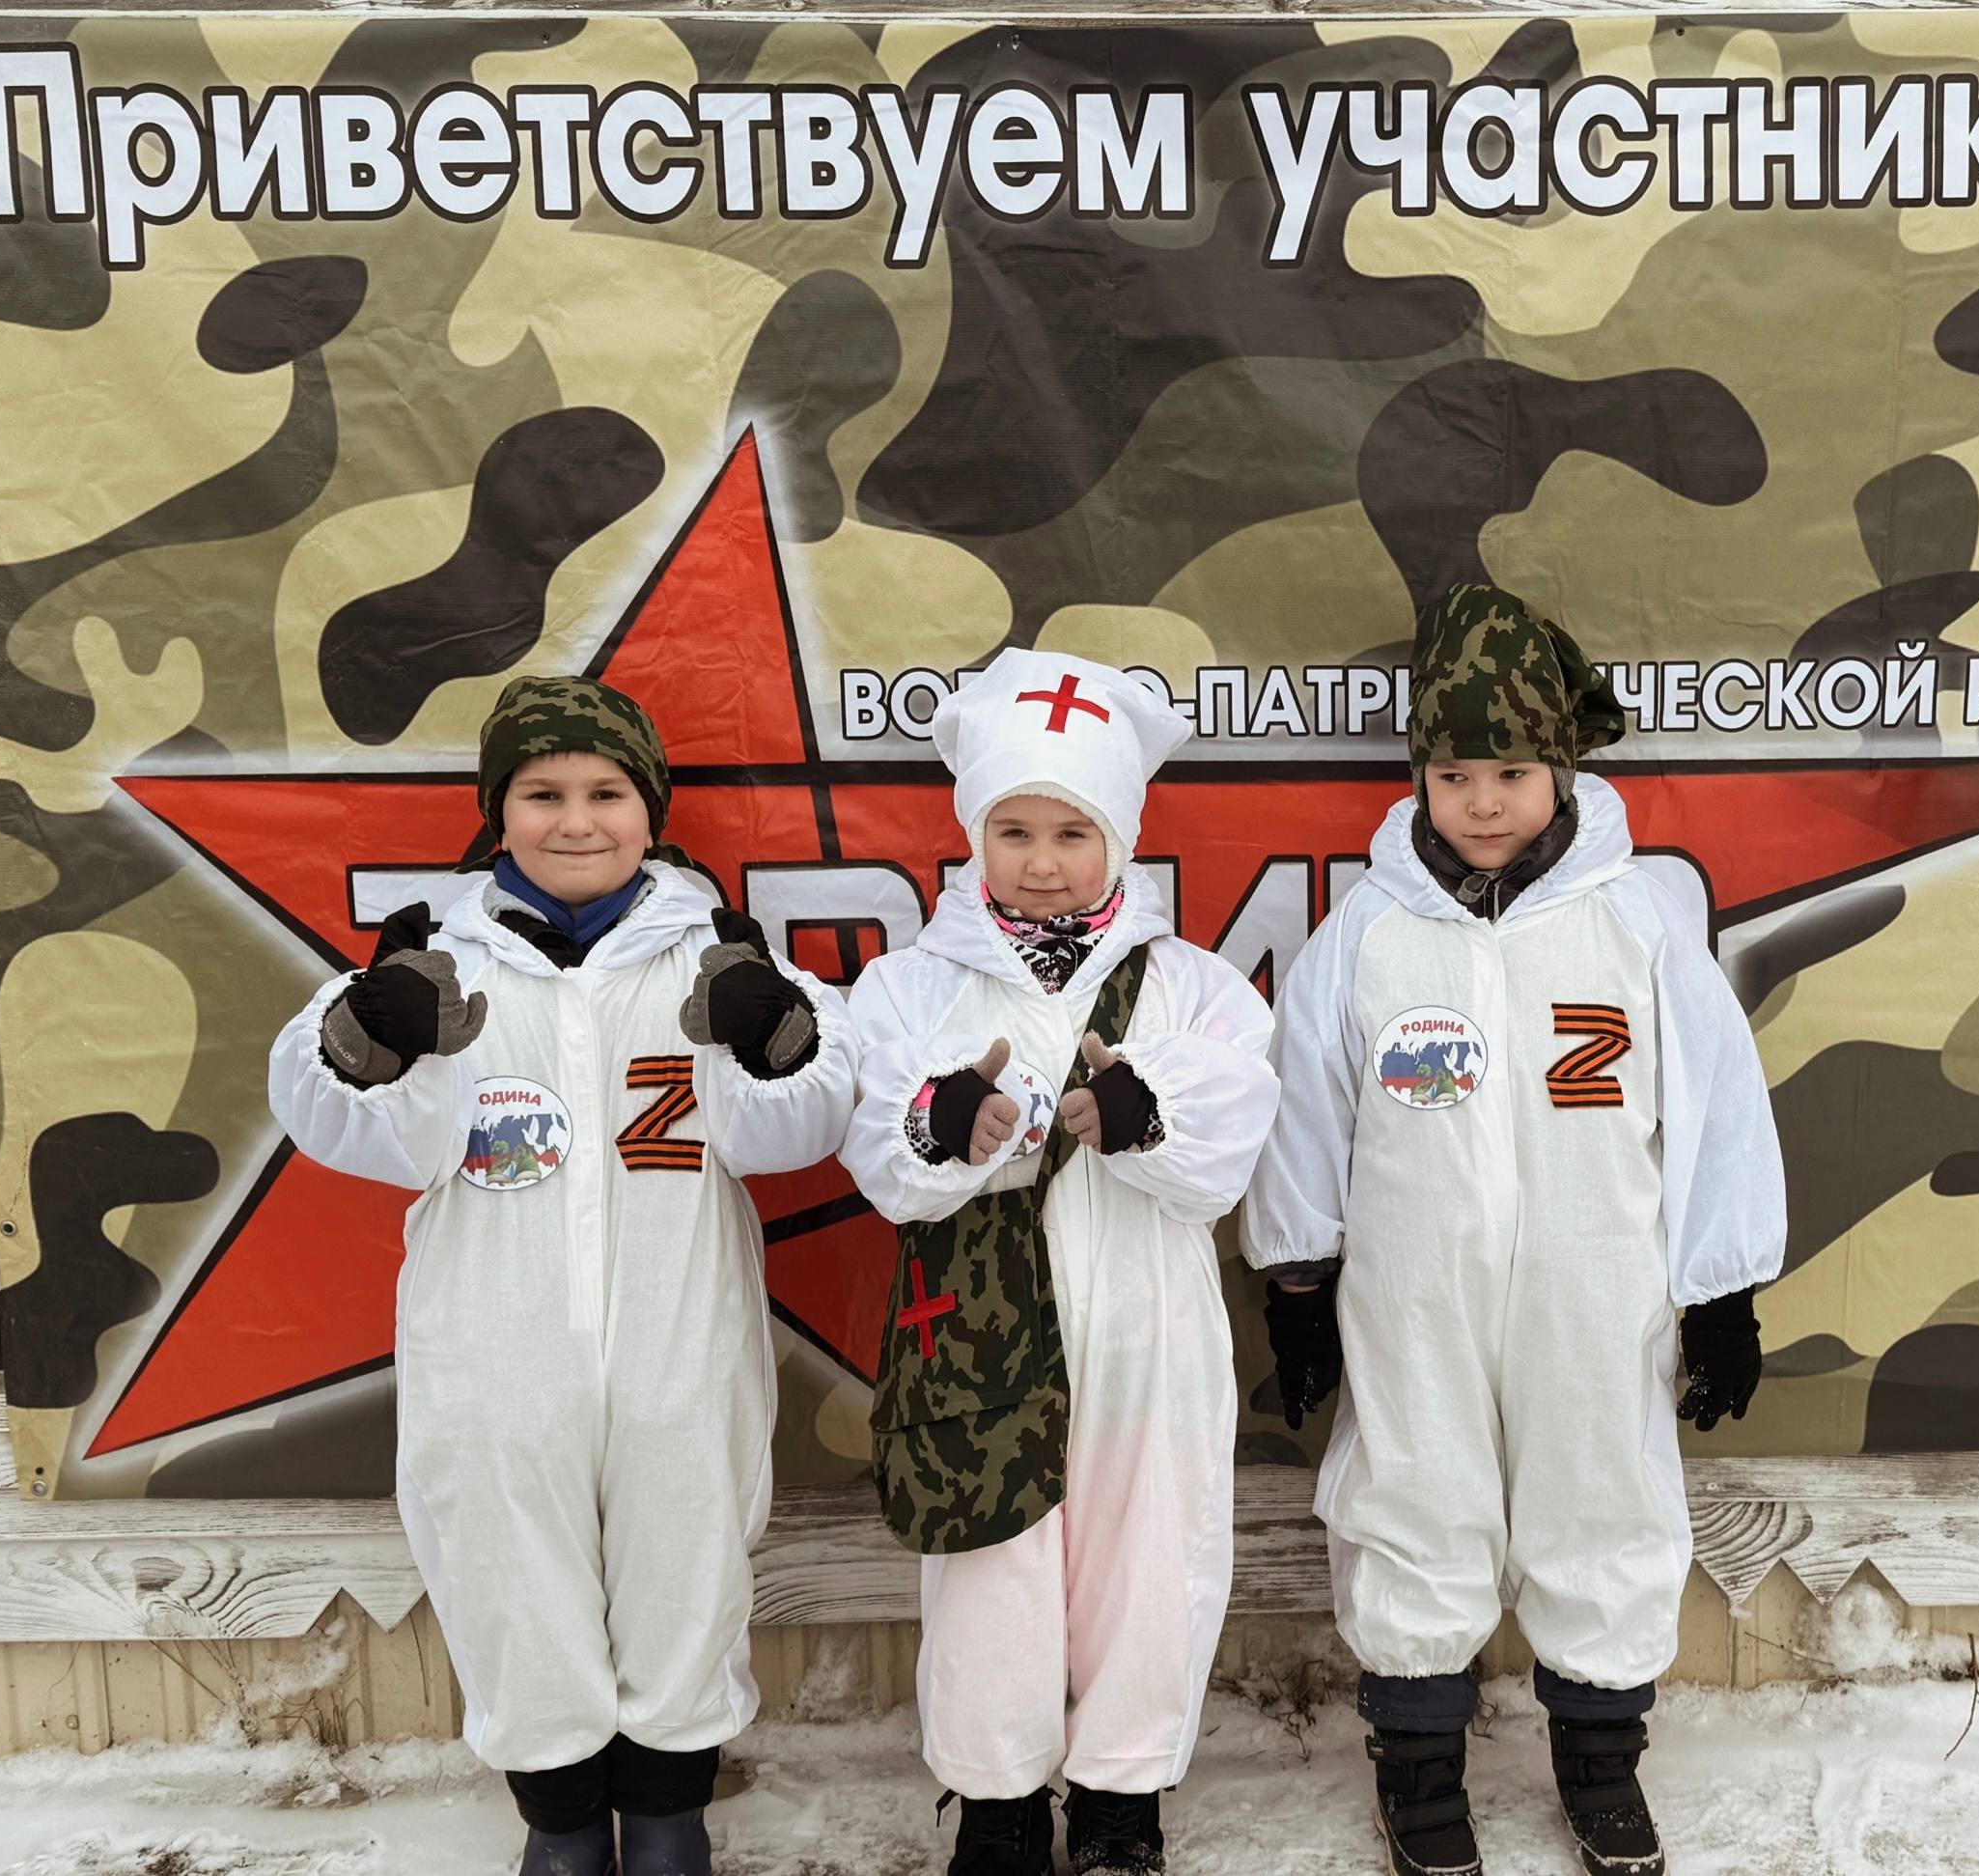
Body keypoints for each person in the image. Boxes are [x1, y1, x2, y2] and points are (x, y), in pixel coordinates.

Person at [268, 676, 857, 1876]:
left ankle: (670, 1817)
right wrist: (371, 1042)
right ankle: (563, 1823)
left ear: (650, 811)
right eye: (541, 793)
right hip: (495, 1344)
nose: (576, 820)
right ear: (499, 810)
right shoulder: (436, 958)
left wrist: (773, 1036)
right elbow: (348, 1124)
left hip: (678, 1336)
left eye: (606, 792)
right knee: (508, 1570)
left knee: (685, 1560)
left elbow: (797, 1124)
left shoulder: (715, 953)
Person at [1244, 583, 1785, 1876]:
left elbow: (1715, 1106)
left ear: (1561, 769)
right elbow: (1304, 1110)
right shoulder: (1367, 934)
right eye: (1452, 775)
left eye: (1510, 773)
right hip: (1412, 1291)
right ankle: (1418, 1763)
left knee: (1600, 1491)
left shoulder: (1635, 922)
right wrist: (1298, 1282)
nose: (1481, 803)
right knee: (1411, 1490)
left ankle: (1599, 1760)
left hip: (1595, 1289)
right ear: (1416, 778)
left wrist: (1720, 1288)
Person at [840, 651, 1279, 1876]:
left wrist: (1146, 1113)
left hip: (1144, 1318)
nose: (1041, 861)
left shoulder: (1189, 984)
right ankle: (996, 1798)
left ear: (1119, 837)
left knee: (1149, 1546)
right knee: (992, 1559)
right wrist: (943, 1124)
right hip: (972, 1329)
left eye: (1071, 831)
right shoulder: (908, 985)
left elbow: (1232, 1131)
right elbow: (877, 1144)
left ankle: (1121, 1794)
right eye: (1014, 830)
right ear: (974, 833)